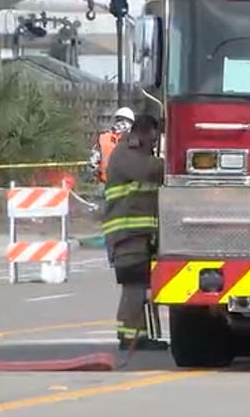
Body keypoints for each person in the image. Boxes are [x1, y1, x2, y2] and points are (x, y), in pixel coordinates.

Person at [103, 113, 169, 351]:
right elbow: (150, 171)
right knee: (134, 285)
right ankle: (130, 337)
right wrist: (176, 160)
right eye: (152, 140)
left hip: (139, 233)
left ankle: (137, 333)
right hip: (126, 233)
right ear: (141, 133)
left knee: (139, 284)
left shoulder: (138, 152)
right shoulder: (127, 154)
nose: (154, 145)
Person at [89, 107, 135, 184]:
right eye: (120, 120)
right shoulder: (103, 138)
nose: (121, 124)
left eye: (124, 121)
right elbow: (94, 162)